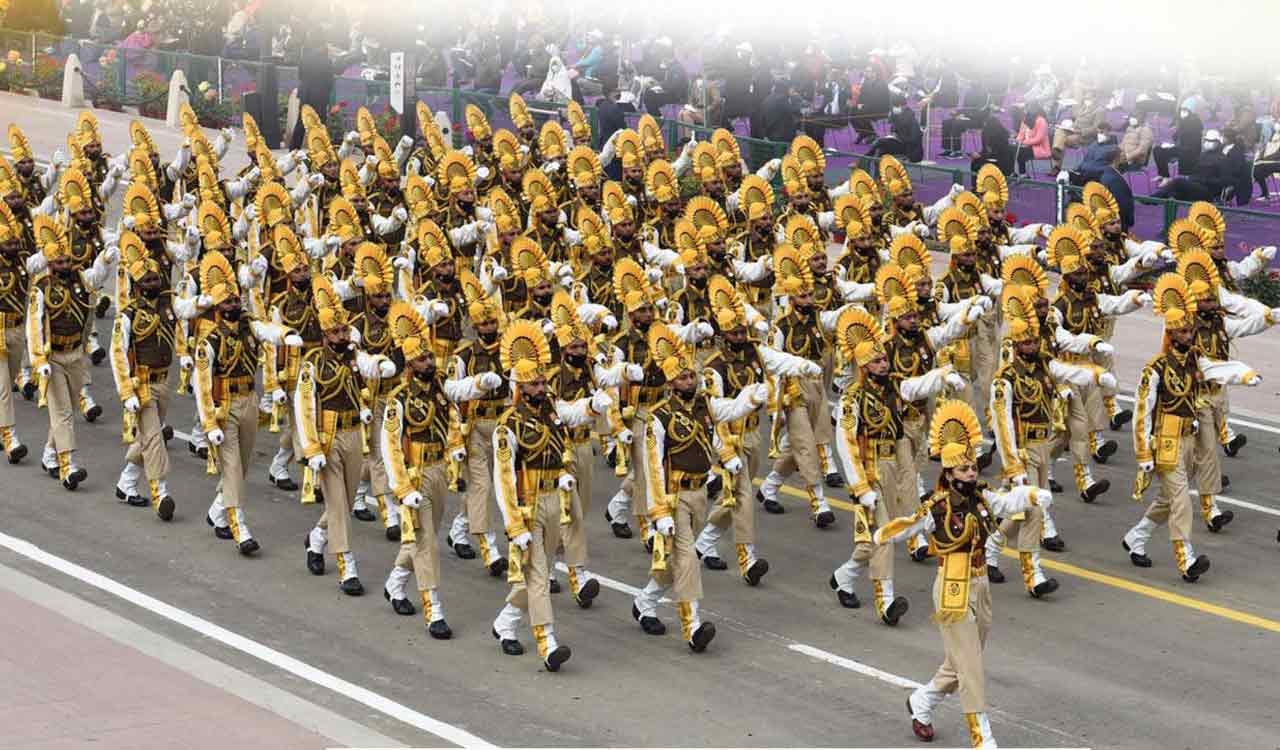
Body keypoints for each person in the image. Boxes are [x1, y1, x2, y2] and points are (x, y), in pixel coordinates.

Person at [883, 400, 1052, 749]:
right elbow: (910, 524)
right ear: (948, 473)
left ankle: (923, 701)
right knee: (971, 666)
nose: (971, 474)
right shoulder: (937, 506)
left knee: (963, 659)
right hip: (952, 588)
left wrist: (1033, 494)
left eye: (972, 468)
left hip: (981, 583)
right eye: (963, 471)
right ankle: (982, 736)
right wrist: (883, 534)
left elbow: (1008, 502)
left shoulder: (982, 496)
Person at [632, 322, 767, 651]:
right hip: (673, 497)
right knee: (688, 560)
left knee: (675, 562)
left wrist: (751, 397)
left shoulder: (704, 406)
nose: (690, 380)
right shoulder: (657, 418)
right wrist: (659, 511)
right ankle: (692, 626)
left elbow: (730, 410)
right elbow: (652, 468)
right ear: (670, 383)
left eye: (691, 375)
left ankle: (644, 603)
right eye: (683, 377)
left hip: (697, 495)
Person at [1123, 273, 1260, 582]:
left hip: (1189, 437)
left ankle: (1137, 537)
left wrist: (1244, 374)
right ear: (1172, 334)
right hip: (1166, 442)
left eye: (1190, 330)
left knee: (1169, 498)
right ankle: (1186, 559)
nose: (1190, 335)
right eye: (1184, 331)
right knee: (1182, 500)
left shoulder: (1195, 361)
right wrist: (1143, 451)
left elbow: (1217, 368)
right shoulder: (1154, 368)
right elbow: (1142, 412)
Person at [1153, 130, 1228, 202]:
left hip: (1208, 192)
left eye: (1211, 141)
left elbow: (1223, 181)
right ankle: (1159, 199)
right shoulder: (1203, 155)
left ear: (1218, 142)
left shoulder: (1222, 159)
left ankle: (1153, 199)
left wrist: (1204, 180)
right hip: (1196, 186)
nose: (1208, 142)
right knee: (1177, 187)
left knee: (1178, 182)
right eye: (1207, 140)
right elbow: (1195, 172)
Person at [1153, 102, 1204, 179]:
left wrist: (1179, 129)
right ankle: (1164, 176)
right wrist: (1174, 135)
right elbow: (1177, 139)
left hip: (1190, 151)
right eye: (1181, 110)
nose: (1182, 112)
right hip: (1179, 148)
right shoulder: (1181, 122)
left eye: (1184, 110)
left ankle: (1184, 177)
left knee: (1184, 153)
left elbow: (1192, 142)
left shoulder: (1195, 121)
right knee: (1157, 150)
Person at [968, 108, 1014, 180]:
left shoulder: (988, 132)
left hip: (999, 162)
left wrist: (979, 155)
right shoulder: (999, 130)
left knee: (975, 162)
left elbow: (991, 152)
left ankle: (976, 186)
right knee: (976, 158)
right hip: (1004, 161)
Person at [1099, 147, 1136, 230]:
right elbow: (1122, 203)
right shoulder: (1115, 179)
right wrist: (1127, 221)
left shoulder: (1107, 174)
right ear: (1116, 159)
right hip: (1120, 222)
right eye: (1122, 154)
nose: (1125, 155)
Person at [852, 66, 891, 144]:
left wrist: (863, 106)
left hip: (881, 108)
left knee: (861, 113)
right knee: (851, 112)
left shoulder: (881, 83)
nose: (866, 73)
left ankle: (869, 134)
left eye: (868, 71)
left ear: (874, 73)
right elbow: (861, 95)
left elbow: (877, 99)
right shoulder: (866, 82)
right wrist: (859, 104)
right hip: (868, 106)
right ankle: (864, 133)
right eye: (866, 71)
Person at [1014, 107, 1049, 176]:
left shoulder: (1041, 121)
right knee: (1012, 149)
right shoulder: (1025, 120)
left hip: (1040, 148)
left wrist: (1024, 142)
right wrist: (1017, 141)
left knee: (1021, 152)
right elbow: (1021, 135)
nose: (1025, 111)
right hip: (1026, 146)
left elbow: (1039, 139)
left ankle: (1023, 174)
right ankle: (1012, 172)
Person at [1252, 129, 1280, 202]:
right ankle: (1265, 193)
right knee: (1258, 168)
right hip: (1274, 162)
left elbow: (1277, 154)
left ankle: (1265, 194)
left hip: (1276, 162)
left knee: (1258, 169)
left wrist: (1264, 158)